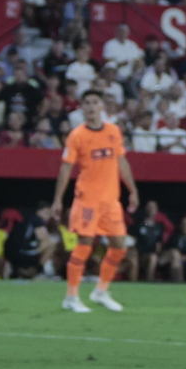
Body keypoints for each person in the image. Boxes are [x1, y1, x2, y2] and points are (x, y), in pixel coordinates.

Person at [54, 91, 138, 312]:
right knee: (84, 247)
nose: (91, 106)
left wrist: (133, 190)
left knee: (119, 247)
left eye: (95, 102)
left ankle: (101, 291)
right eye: (87, 103)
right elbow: (65, 168)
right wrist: (58, 200)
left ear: (102, 106)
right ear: (82, 108)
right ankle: (71, 297)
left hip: (111, 201)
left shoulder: (113, 131)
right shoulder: (76, 136)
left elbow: (122, 161)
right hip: (87, 201)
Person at [129, 201, 173, 281]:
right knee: (152, 258)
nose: (151, 209)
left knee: (154, 257)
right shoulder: (139, 224)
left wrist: (159, 250)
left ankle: (150, 282)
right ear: (146, 209)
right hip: (140, 256)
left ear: (157, 210)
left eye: (153, 207)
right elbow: (132, 241)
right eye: (149, 207)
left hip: (154, 255)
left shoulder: (159, 227)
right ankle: (143, 283)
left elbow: (159, 244)